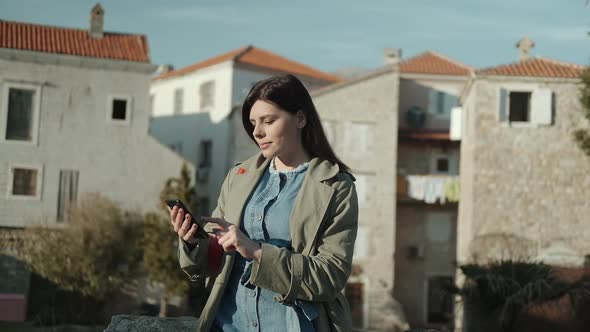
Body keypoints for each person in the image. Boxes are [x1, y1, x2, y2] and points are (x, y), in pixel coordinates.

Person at [169, 74, 358, 332]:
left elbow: (329, 276)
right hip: (227, 325)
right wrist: (193, 243)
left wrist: (257, 252)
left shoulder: (336, 185)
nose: (258, 132)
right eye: (253, 123)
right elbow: (213, 264)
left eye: (269, 121)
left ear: (301, 119)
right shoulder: (238, 177)